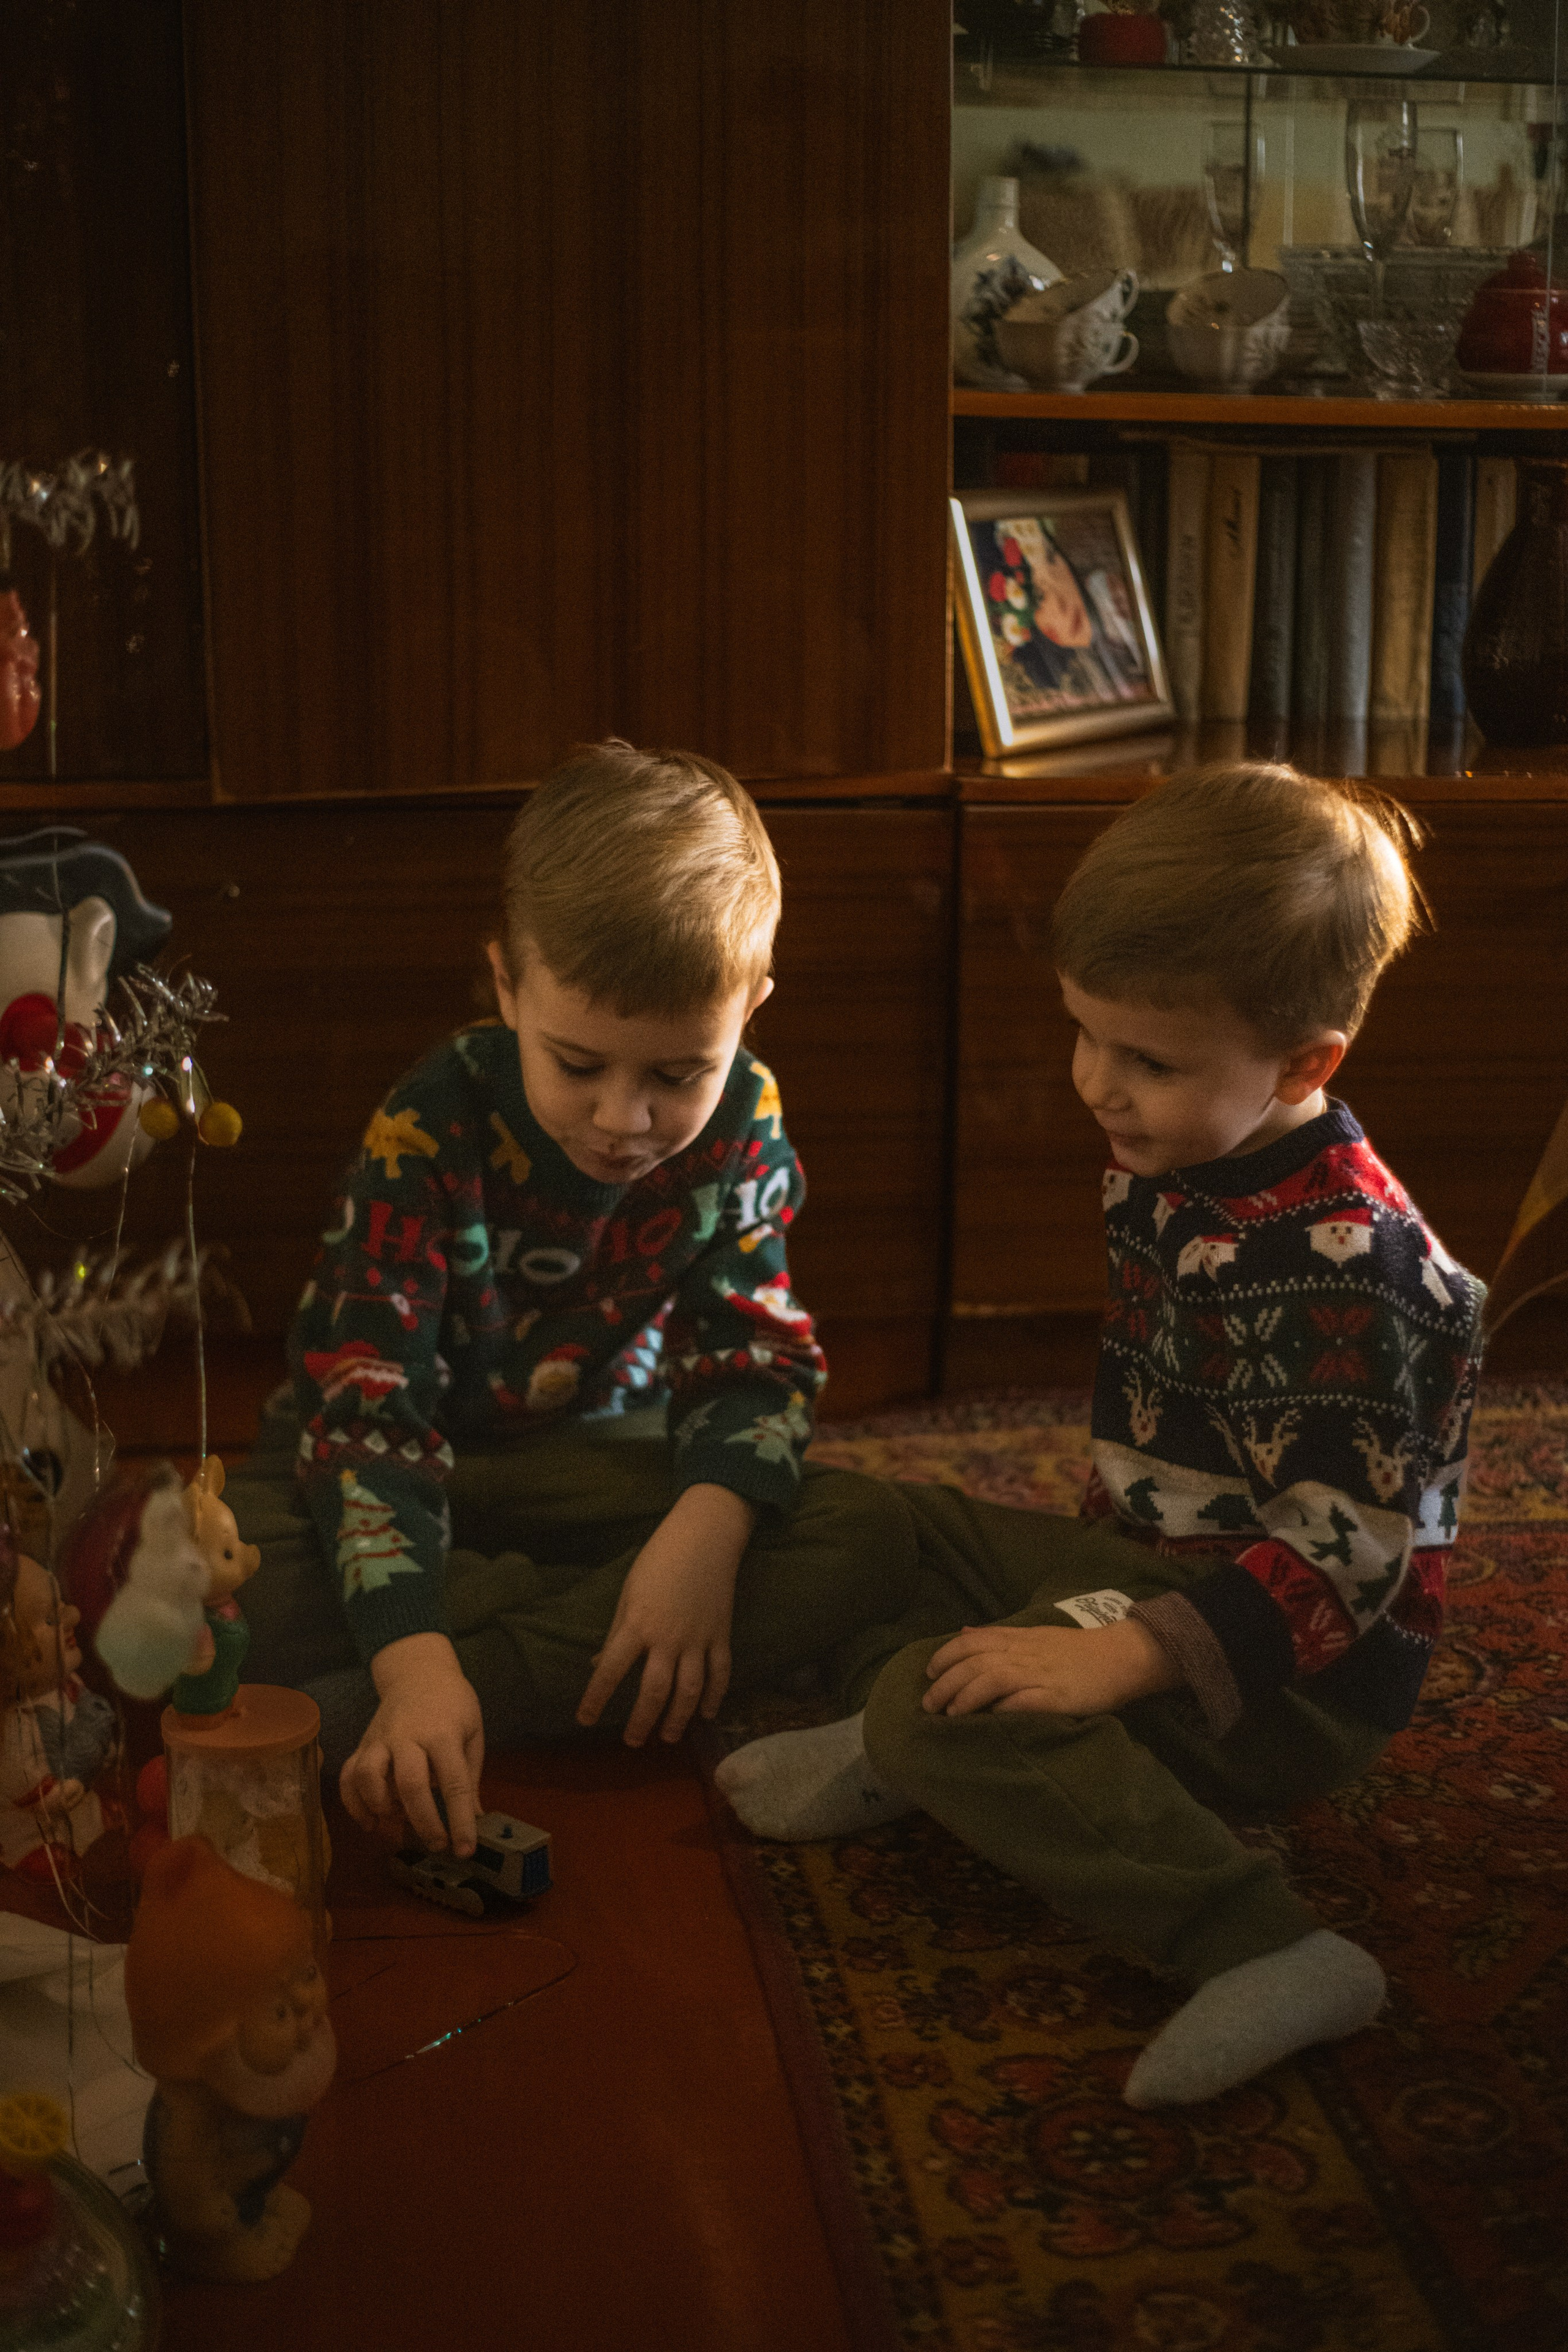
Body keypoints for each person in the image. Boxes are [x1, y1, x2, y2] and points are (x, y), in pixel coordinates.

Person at [717, 763, 1486, 2108]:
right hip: (1147, 1561)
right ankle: (955, 1726)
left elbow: (1346, 1564)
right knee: (868, 1521)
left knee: (927, 1699)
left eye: (1146, 1061)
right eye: (1084, 1034)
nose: (1096, 1085)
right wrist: (1090, 1604)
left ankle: (1268, 1945)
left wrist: (1124, 1653)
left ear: (1306, 1065)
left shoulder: (1349, 1277)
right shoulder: (1187, 1156)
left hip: (1291, 1675)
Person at [232, 741, 937, 1864]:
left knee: (864, 1532)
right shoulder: (431, 1120)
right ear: (508, 981)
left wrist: (701, 1540)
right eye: (578, 1064)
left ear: (750, 1009)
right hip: (418, 1457)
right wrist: (417, 1651)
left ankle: (430, 1692)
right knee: (231, 1566)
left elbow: (754, 1359)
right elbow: (365, 1405)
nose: (624, 1121)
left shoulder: (749, 1114)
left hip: (610, 1468)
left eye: (674, 1075)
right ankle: (512, 1652)